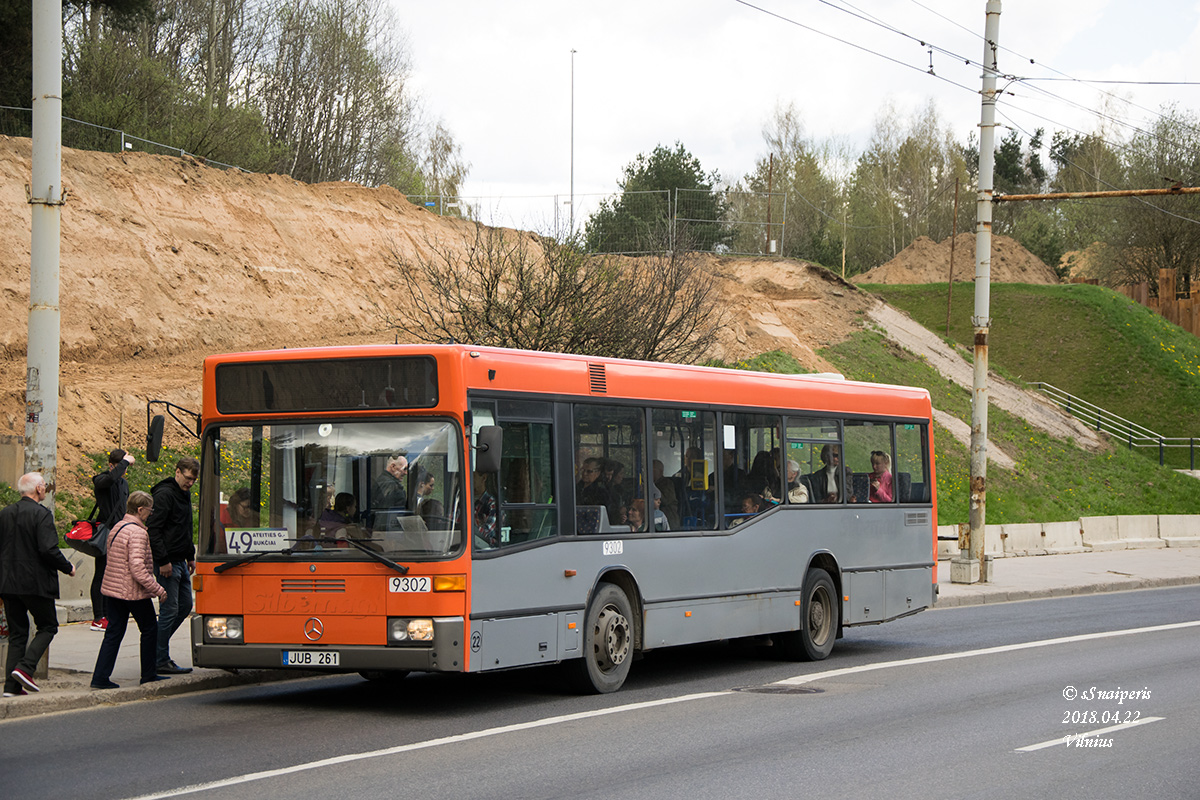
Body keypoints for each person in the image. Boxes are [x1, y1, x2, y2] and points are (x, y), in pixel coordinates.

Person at [1, 473, 75, 695]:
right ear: (38, 490)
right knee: (48, 626)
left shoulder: (4, 513)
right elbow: (48, 549)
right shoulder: (41, 515)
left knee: (18, 633)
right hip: (35, 583)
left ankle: (11, 687)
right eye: (44, 485)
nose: (46, 489)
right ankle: (25, 669)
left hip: (7, 583)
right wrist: (68, 567)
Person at [90, 491, 169, 689]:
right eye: (149, 511)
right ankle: (149, 674)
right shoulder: (138, 533)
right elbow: (137, 568)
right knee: (150, 629)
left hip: (113, 590)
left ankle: (100, 677)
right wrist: (158, 589)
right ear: (140, 509)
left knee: (114, 633)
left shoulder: (118, 526)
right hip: (133, 592)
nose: (150, 514)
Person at [147, 456, 198, 675]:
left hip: (181, 559)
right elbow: (154, 530)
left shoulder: (184, 494)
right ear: (177, 472)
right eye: (187, 478)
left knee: (185, 606)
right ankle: (158, 657)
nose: (190, 483)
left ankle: (154, 649)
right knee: (169, 610)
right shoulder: (165, 494)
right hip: (168, 563)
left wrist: (190, 555)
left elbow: (185, 527)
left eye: (193, 480)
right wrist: (163, 561)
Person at [90, 448, 135, 632]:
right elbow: (109, 479)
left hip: (119, 533)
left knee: (113, 574)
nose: (124, 470)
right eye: (121, 466)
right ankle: (98, 617)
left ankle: (109, 614)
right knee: (101, 573)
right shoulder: (101, 479)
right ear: (112, 465)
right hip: (105, 533)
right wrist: (124, 462)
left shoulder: (123, 484)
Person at [472, 471, 499, 547]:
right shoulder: (461, 501)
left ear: (484, 478)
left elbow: (488, 534)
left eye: (473, 476)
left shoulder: (492, 504)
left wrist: (469, 527)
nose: (469, 479)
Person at [651, 460, 679, 530]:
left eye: (652, 469)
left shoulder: (667, 483)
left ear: (660, 472)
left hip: (668, 518)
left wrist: (651, 488)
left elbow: (665, 500)